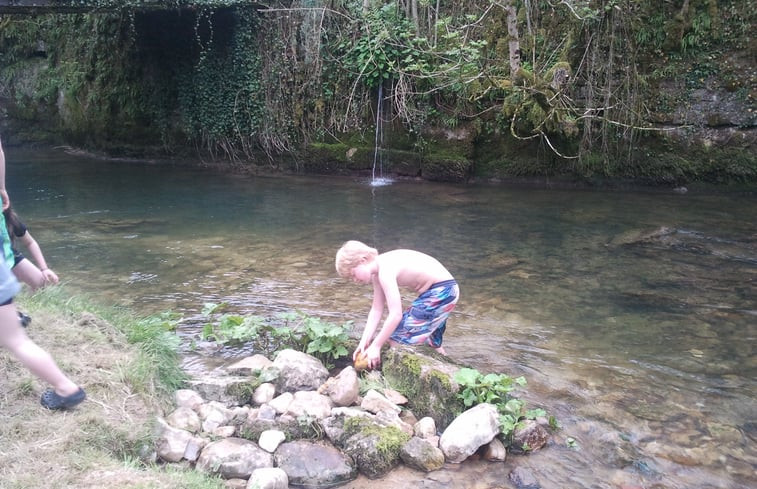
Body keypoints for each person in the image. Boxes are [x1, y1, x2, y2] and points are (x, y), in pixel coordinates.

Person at [0, 135, 85, 410]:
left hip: (8, 265)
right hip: (3, 271)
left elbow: (26, 243)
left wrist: (45, 269)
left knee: (16, 341)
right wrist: (1, 186)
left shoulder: (12, 220)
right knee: (16, 339)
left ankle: (65, 388)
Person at [335, 240, 460, 369]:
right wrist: (364, 341)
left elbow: (395, 315)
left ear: (363, 260)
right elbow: (376, 310)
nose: (355, 281)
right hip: (443, 291)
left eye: (353, 275)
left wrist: (376, 346)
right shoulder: (378, 273)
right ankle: (449, 369)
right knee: (433, 343)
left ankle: (410, 377)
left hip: (442, 292)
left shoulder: (385, 271)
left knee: (396, 340)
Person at [4, 202, 60, 291]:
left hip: (7, 255)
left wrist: (44, 269)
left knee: (43, 283)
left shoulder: (10, 219)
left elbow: (30, 242)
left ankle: (27, 300)